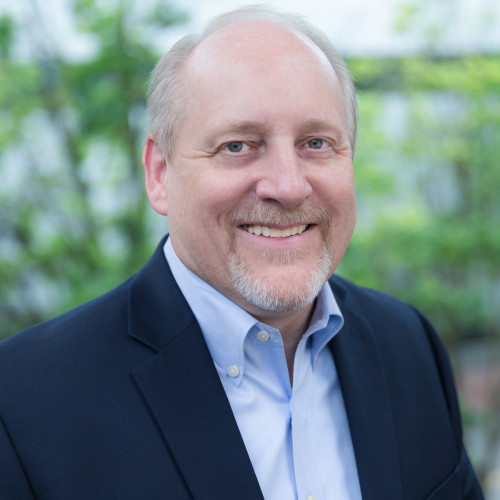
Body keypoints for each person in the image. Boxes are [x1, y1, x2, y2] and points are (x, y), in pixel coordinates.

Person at [0, 6, 484, 500]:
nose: (288, 186)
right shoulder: (22, 400)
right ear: (160, 174)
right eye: (238, 146)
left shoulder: (409, 346)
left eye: (316, 142)